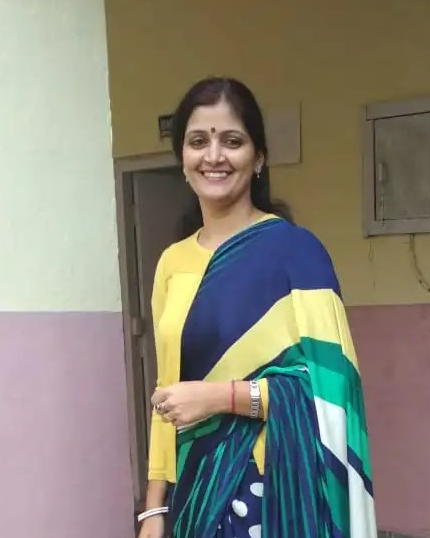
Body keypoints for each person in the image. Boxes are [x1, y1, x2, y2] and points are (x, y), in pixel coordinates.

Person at [137, 77, 377, 538]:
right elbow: (167, 393)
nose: (214, 156)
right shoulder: (172, 263)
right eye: (198, 142)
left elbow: (332, 388)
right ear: (182, 159)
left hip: (274, 489)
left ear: (259, 158)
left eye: (232, 141)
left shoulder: (297, 254)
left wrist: (219, 398)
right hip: (194, 488)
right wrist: (153, 509)